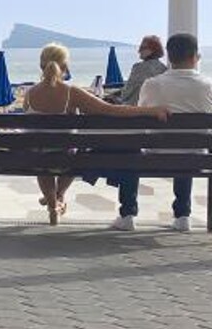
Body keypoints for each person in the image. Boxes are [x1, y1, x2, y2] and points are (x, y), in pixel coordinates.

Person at [23, 43, 169, 225]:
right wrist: (149, 111)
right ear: (66, 66)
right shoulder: (71, 92)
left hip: (38, 158)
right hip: (67, 158)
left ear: (41, 65)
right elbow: (111, 110)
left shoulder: (29, 94)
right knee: (73, 151)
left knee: (43, 156)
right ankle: (58, 197)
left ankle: (53, 203)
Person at [110, 33, 212, 233]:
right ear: (196, 56)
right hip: (197, 159)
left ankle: (127, 215)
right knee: (188, 146)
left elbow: (140, 119)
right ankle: (183, 215)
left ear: (169, 57)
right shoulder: (210, 85)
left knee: (131, 150)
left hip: (156, 156)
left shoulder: (152, 84)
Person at [117, 35, 167, 105]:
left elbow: (125, 94)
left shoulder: (139, 68)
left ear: (153, 50)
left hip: (135, 110)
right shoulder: (164, 69)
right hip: (155, 110)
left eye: (143, 48)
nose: (139, 51)